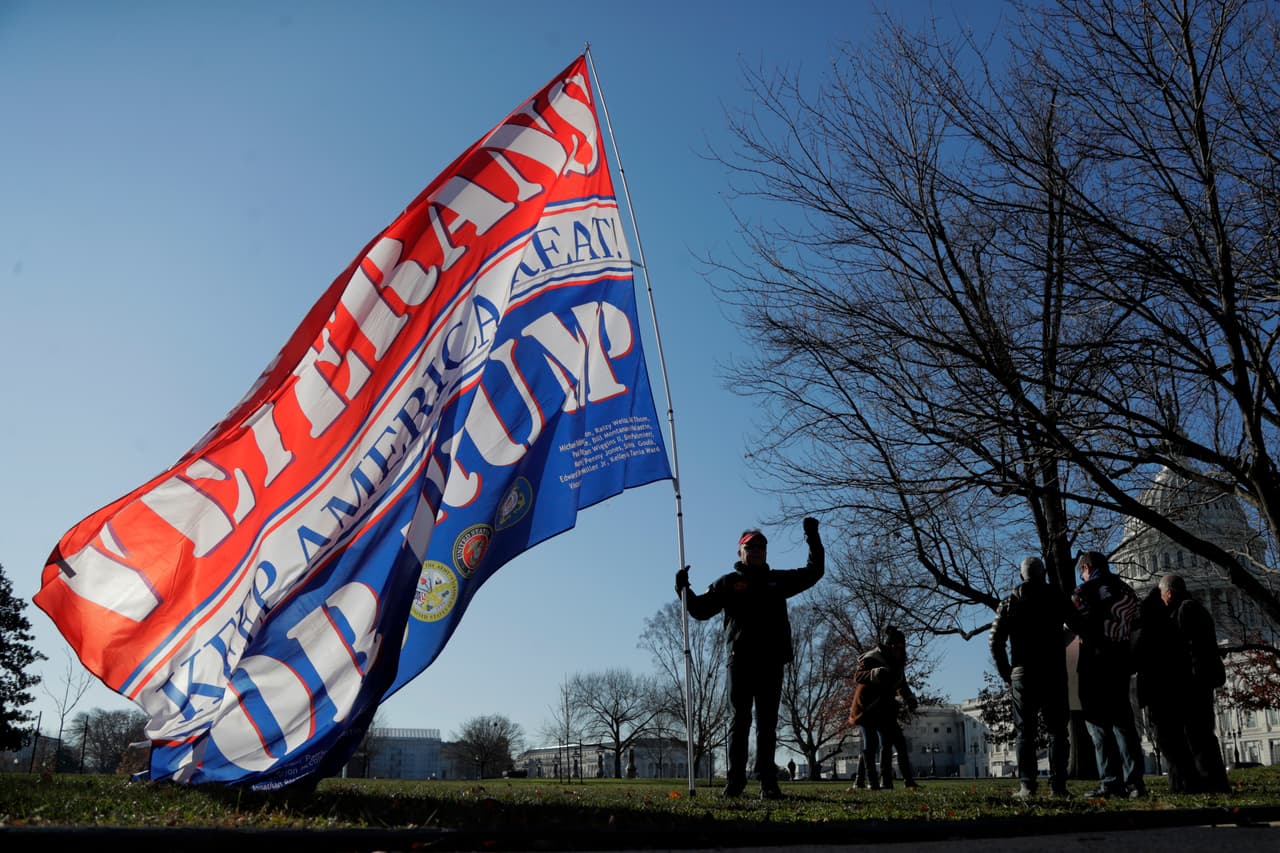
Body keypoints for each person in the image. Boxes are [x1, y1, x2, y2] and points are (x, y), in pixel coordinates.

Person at [675, 517, 824, 799]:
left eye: (761, 547)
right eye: (750, 546)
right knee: (739, 722)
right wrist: (684, 589)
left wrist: (812, 536)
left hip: (771, 662)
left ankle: (768, 783)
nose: (756, 551)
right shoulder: (728, 583)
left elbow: (815, 571)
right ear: (739, 552)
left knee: (767, 725)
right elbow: (700, 610)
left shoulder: (777, 581)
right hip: (740, 662)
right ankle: (735, 783)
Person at [988, 556, 1071, 799]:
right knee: (1058, 731)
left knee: (1025, 731)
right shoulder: (1058, 598)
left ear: (1021, 575)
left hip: (1023, 673)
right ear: (1044, 573)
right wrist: (1060, 644)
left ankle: (1027, 785)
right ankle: (1058, 786)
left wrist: (1007, 671)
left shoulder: (1009, 602)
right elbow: (1077, 624)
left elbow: (995, 641)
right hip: (1054, 671)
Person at [1068, 550, 1146, 798]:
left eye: (1082, 571)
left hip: (1094, 663)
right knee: (1124, 724)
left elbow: (1075, 625)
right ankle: (1135, 783)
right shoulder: (1127, 591)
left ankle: (1111, 782)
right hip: (1120, 662)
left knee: (1098, 726)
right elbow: (1138, 628)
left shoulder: (1083, 592)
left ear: (1087, 568)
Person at [1160, 573, 1231, 793]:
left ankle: (1209, 781)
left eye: (1161, 594)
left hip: (1191, 681)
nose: (1161, 599)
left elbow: (1185, 648)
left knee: (1197, 735)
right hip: (1199, 679)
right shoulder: (1196, 608)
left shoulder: (1185, 611)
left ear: (1169, 593)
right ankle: (1209, 781)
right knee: (1200, 734)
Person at [848, 625, 919, 790]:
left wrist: (909, 698)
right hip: (867, 707)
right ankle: (870, 782)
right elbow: (857, 676)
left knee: (895, 743)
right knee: (870, 744)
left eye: (902, 648)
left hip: (885, 708)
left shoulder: (898, 663)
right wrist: (875, 673)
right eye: (896, 647)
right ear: (889, 646)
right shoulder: (872, 658)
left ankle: (896, 781)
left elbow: (901, 682)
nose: (899, 651)